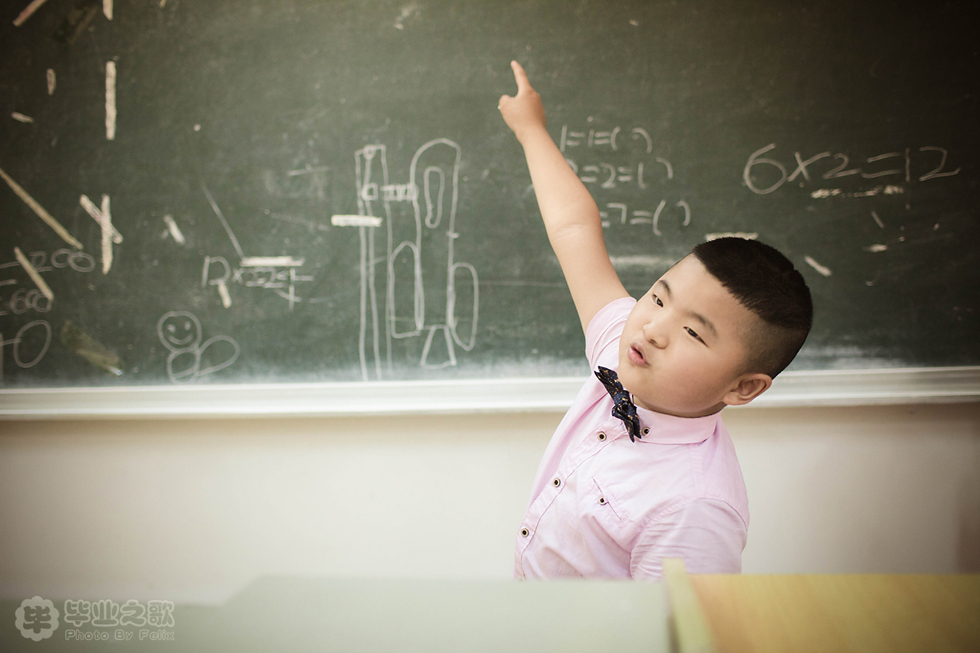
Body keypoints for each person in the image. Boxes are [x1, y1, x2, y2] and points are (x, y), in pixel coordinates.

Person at [498, 61, 813, 580]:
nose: (653, 329)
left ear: (744, 387)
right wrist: (531, 130)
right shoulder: (623, 349)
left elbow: (680, 621)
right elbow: (574, 229)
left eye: (692, 332)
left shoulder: (694, 507)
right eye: (659, 298)